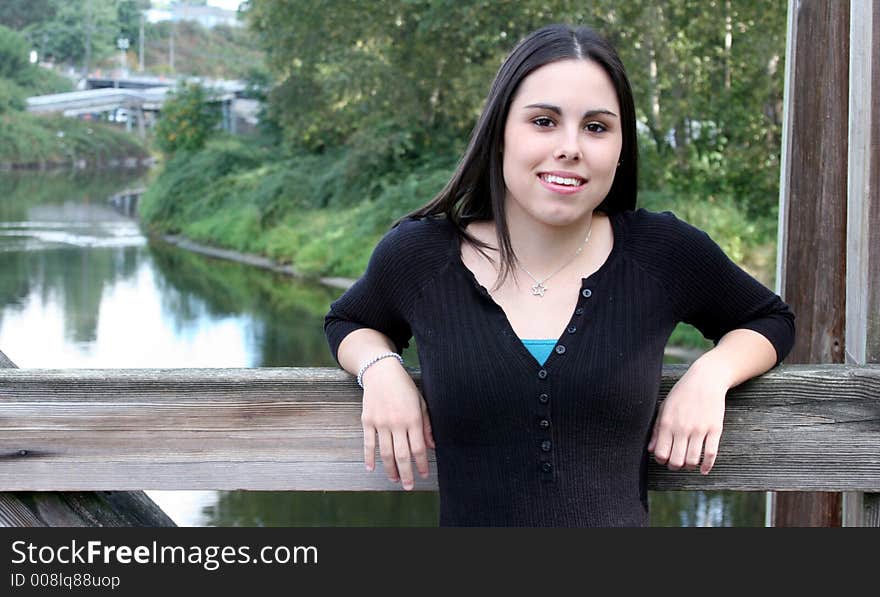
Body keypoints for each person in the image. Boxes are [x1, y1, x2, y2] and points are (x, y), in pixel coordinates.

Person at [324, 24, 795, 527]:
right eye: (544, 121)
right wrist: (380, 369)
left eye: (596, 127)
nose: (570, 147)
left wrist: (711, 374)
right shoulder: (422, 255)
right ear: (501, 132)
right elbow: (348, 320)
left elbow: (769, 319)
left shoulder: (662, 253)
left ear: (619, 148)